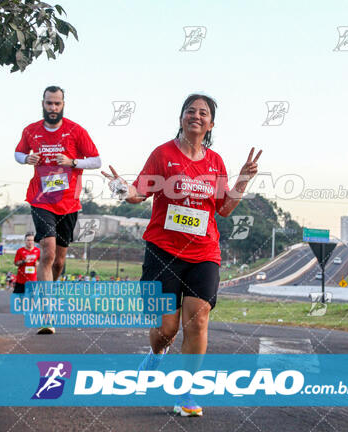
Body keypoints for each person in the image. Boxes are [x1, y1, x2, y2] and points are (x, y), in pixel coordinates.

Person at [102, 93, 262, 417]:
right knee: (167, 329)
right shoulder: (162, 154)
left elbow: (225, 209)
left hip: (204, 252)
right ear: (181, 119)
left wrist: (243, 179)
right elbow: (138, 193)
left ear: (211, 124)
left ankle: (186, 394)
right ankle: (156, 355)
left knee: (198, 319)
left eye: (204, 113)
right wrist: (122, 189)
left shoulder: (215, 162)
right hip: (163, 251)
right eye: (191, 111)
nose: (196, 116)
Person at [15, 85, 101, 333]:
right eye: (49, 103)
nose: (53, 108)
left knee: (59, 261)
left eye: (57, 104)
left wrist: (73, 162)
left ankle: (51, 287)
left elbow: (96, 160)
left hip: (69, 203)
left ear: (63, 104)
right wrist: (26, 159)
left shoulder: (76, 130)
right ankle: (46, 314)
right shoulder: (31, 131)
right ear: (42, 103)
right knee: (48, 251)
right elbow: (18, 152)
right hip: (41, 199)